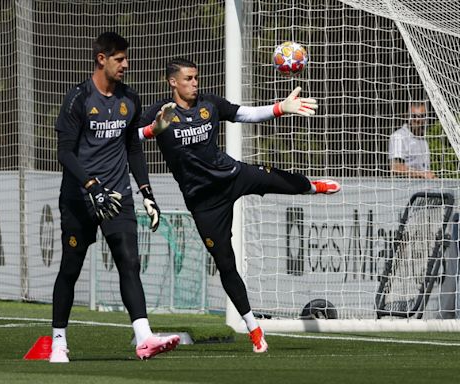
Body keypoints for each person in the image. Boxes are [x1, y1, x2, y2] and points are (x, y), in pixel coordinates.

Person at [138, 58, 341, 353]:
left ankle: (313, 186)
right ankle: (253, 328)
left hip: (230, 176)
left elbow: (244, 114)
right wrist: (152, 129)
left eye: (196, 77)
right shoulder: (159, 112)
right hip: (203, 202)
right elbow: (127, 140)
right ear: (173, 82)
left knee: (270, 178)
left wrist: (279, 109)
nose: (195, 83)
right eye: (188, 78)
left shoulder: (210, 104)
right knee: (225, 263)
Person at [50, 32, 180, 363]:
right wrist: (91, 185)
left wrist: (147, 193)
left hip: (118, 196)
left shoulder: (130, 99)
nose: (126, 64)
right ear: (102, 59)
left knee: (129, 262)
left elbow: (133, 149)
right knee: (70, 268)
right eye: (120, 59)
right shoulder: (78, 98)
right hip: (80, 198)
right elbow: (65, 153)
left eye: (126, 58)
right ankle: (59, 342)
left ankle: (144, 337)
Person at [388, 101, 435, 179]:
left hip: (424, 187)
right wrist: (422, 174)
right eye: (414, 116)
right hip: (405, 188)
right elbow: (395, 168)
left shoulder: (423, 138)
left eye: (421, 116)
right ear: (407, 116)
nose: (417, 119)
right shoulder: (398, 136)